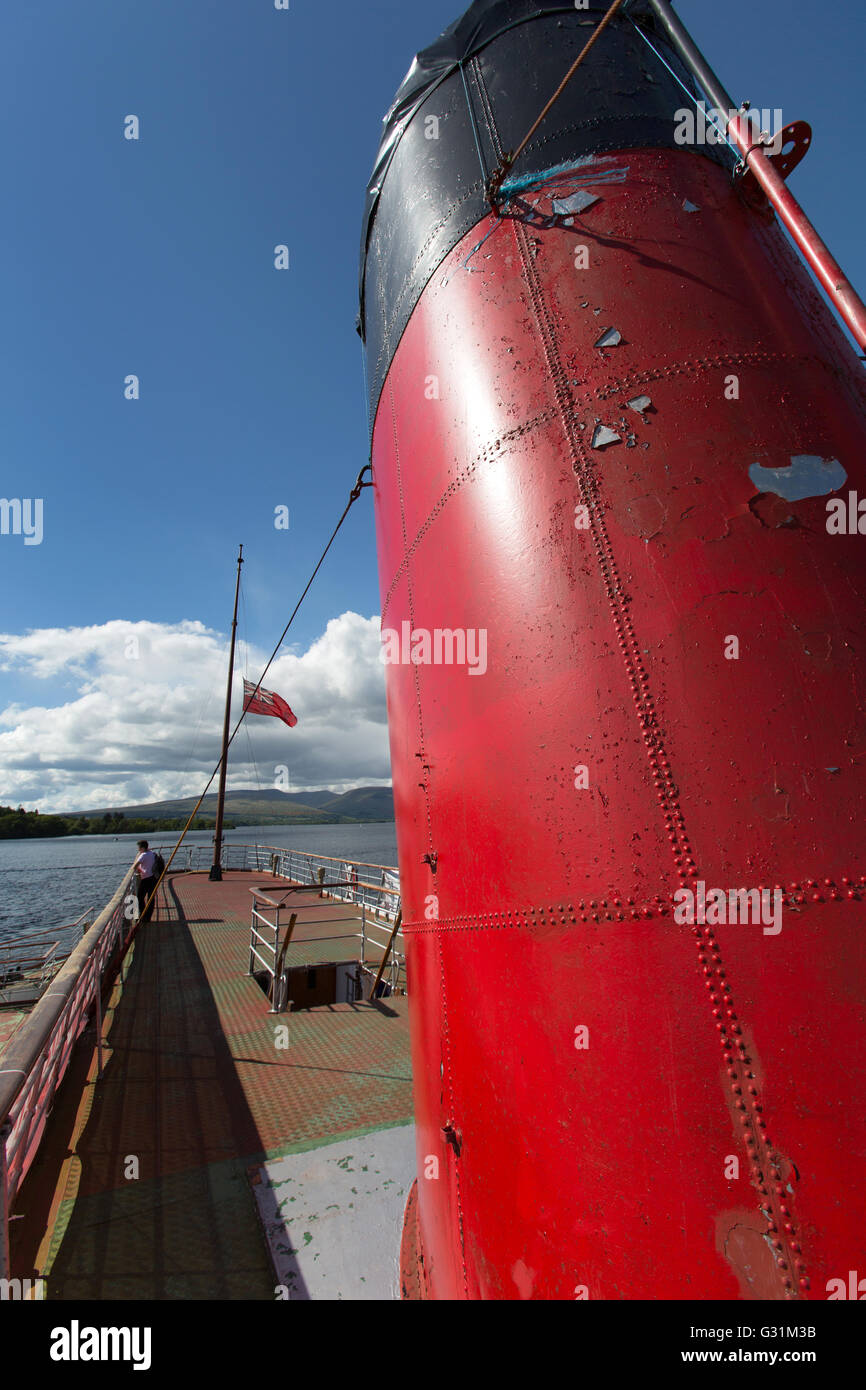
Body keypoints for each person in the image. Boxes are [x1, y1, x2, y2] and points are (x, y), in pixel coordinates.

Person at [133, 839, 158, 923]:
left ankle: (143, 914)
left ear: (142, 848)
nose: (138, 849)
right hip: (153, 878)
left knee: (139, 897)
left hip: (146, 878)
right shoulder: (152, 853)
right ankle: (148, 917)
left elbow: (135, 866)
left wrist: (139, 869)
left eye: (139, 847)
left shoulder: (143, 855)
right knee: (151, 898)